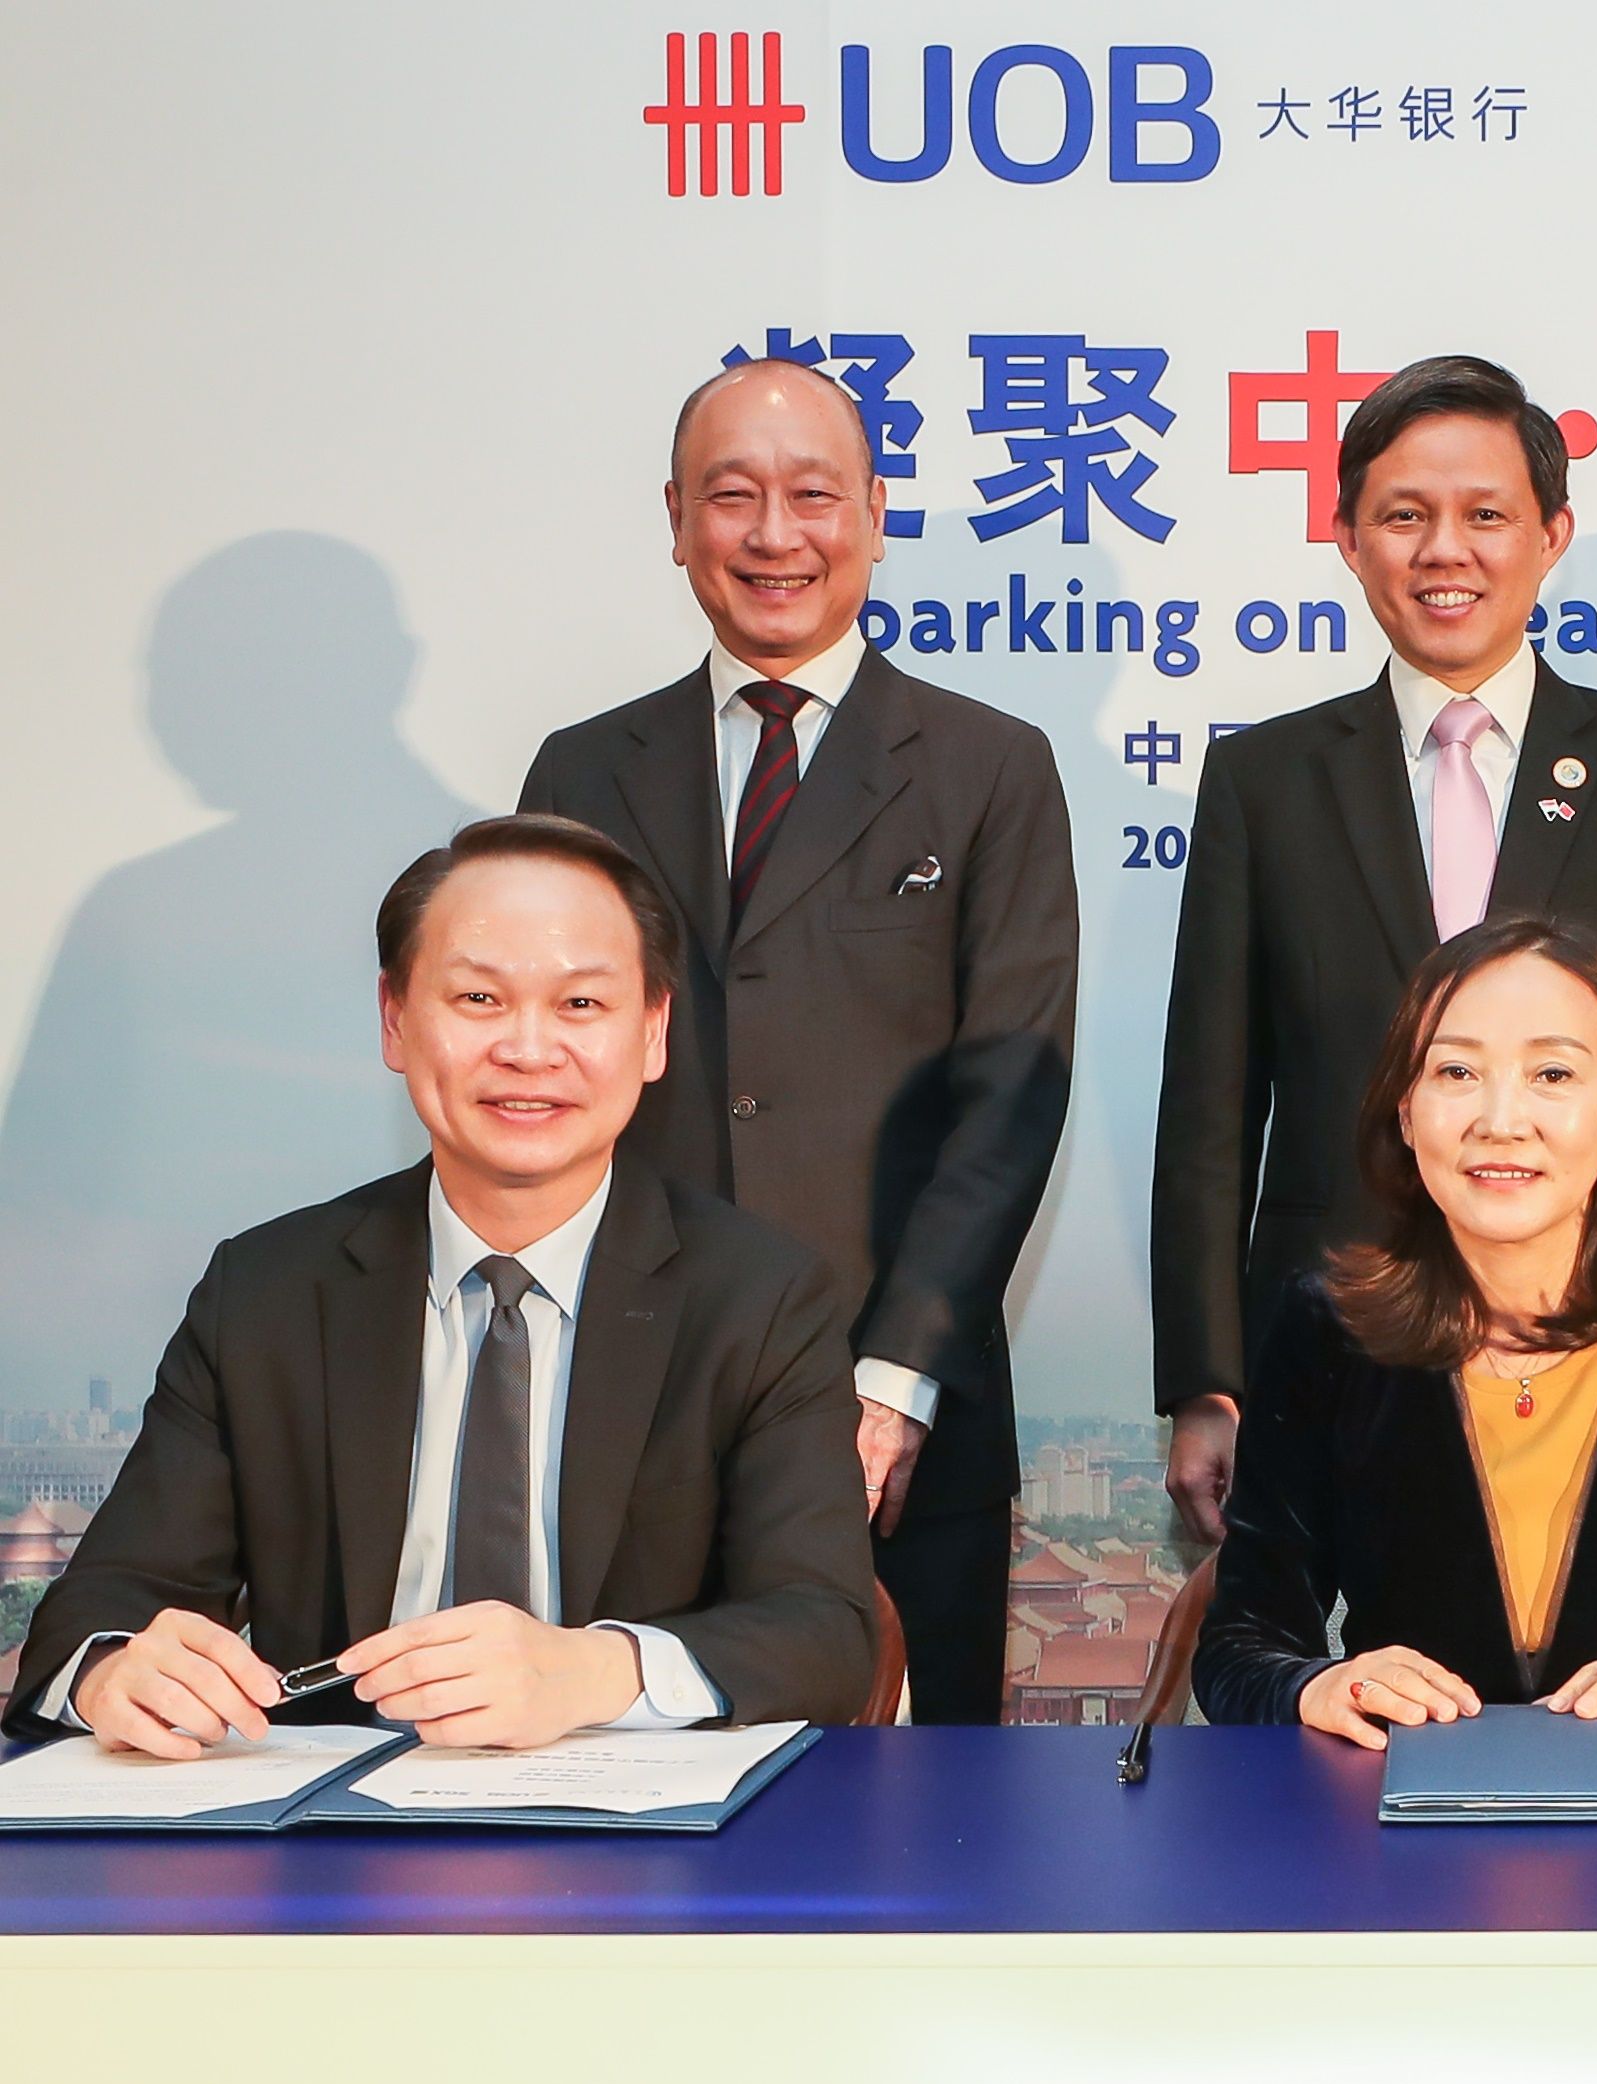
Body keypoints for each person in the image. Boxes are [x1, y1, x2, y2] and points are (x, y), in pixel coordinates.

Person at [5, 817, 876, 1751]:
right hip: (328, 1846)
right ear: (395, 1017)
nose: (529, 1049)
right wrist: (113, 1668)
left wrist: (587, 1669)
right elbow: (94, 1610)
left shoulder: (760, 1297)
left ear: (654, 1031)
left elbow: (822, 1631)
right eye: (478, 998)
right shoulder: (265, 1293)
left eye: (581, 1005)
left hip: (640, 1843)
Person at [520, 359, 1078, 1722]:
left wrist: (888, 1385)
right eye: (733, 496)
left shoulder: (989, 766)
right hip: (629, 1410)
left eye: (813, 494)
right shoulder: (580, 774)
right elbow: (541, 1087)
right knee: (625, 1818)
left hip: (905, 1421)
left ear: (876, 513)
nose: (775, 535)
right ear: (675, 519)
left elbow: (1006, 1101)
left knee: (913, 1841)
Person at [1153, 355, 1597, 1547]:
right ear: (1344, 536)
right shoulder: (1263, 781)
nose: (1446, 550)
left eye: (1486, 515)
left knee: (1592, 1704)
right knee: (1329, 1711)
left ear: (1551, 535)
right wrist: (1205, 1379)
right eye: (1404, 515)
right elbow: (1208, 1115)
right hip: (1328, 1340)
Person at [1194, 916, 1597, 1739]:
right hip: (1398, 1819)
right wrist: (1313, 1687)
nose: (1500, 1119)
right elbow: (1242, 1647)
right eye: (1456, 1069)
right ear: (1405, 1106)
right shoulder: (1326, 1327)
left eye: (1553, 1073)